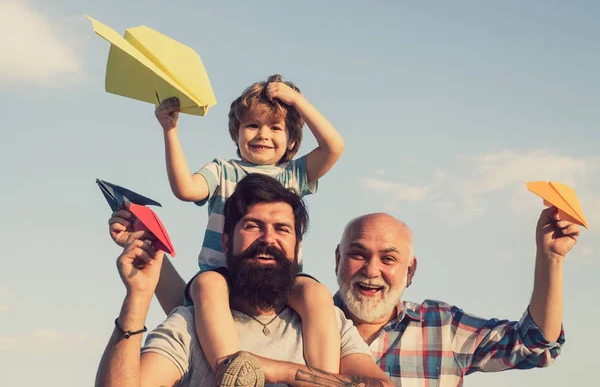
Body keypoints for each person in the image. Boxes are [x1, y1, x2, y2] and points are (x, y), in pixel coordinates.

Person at [96, 174, 393, 387]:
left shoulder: (328, 321)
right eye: (253, 226)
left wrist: (278, 371)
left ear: (297, 248)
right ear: (226, 242)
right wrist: (138, 295)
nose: (268, 239)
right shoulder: (189, 324)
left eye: (282, 229)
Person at [152, 74, 344, 373]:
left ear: (292, 139)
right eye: (252, 125)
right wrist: (170, 131)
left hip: (280, 276)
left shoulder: (294, 175)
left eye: (275, 127)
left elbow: (333, 147)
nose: (262, 134)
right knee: (208, 284)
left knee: (317, 294)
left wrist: (296, 101)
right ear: (237, 133)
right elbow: (185, 189)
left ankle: (326, 378)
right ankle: (231, 369)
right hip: (225, 273)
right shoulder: (222, 171)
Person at [333, 210, 579, 385]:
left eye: (388, 259)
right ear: (337, 259)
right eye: (358, 254)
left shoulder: (442, 327)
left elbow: (533, 345)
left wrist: (551, 258)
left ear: (410, 271)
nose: (371, 270)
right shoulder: (299, 320)